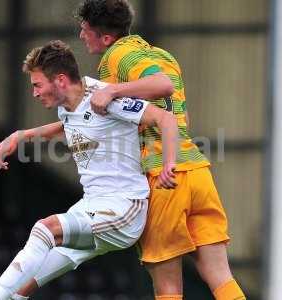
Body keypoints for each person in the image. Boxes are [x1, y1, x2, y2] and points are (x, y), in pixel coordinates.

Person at [13, 1, 246, 300]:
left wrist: (113, 89)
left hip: (163, 177)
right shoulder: (163, 56)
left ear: (105, 37)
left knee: (168, 286)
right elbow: (178, 115)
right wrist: (26, 135)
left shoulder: (116, 57)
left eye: (85, 31)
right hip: (197, 172)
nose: (82, 36)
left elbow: (162, 87)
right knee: (220, 276)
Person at [0, 40, 178, 300]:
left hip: (125, 207)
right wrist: (21, 136)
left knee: (44, 228)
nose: (35, 92)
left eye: (37, 85)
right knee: (28, 280)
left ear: (61, 80)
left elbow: (164, 118)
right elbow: (69, 126)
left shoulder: (106, 98)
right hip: (92, 205)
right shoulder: (67, 106)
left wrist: (169, 164)